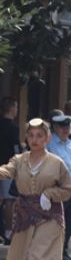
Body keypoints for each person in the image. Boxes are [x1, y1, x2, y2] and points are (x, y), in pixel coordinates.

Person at [0, 118, 71, 260]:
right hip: (25, 216)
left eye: (39, 136)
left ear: (47, 138)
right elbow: (7, 170)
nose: (35, 139)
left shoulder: (56, 163)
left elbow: (68, 190)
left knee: (35, 256)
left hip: (49, 216)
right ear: (26, 138)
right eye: (31, 135)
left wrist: (50, 194)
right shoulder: (20, 160)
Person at [47, 111, 71, 260]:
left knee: (70, 222)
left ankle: (64, 250)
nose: (65, 129)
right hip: (59, 189)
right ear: (55, 127)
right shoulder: (49, 144)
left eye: (68, 126)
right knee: (57, 223)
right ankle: (54, 253)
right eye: (62, 126)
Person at [0, 97, 21, 245]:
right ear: (11, 109)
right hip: (8, 166)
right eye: (16, 107)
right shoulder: (13, 128)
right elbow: (15, 148)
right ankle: (8, 230)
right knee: (9, 200)